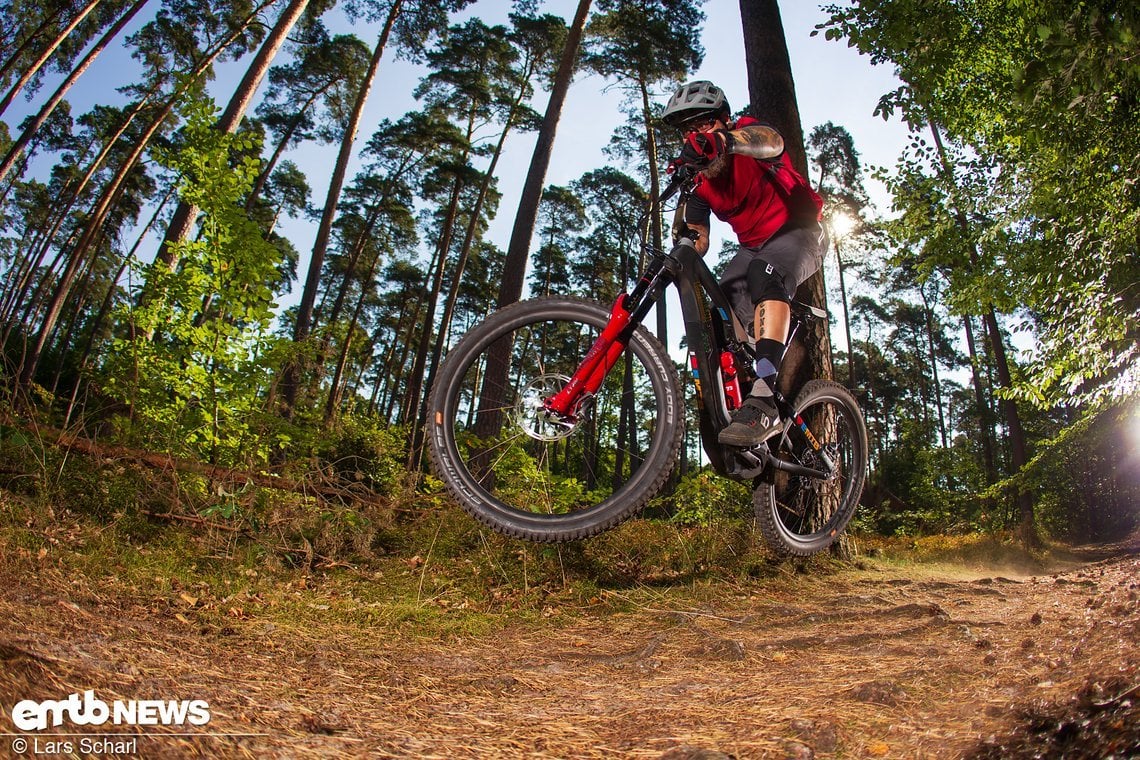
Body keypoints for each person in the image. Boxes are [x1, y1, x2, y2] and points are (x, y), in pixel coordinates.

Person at [663, 80, 825, 448]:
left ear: (724, 121)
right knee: (717, 318)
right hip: (753, 247)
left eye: (704, 125)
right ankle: (733, 402)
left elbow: (772, 141)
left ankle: (766, 397)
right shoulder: (703, 182)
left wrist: (726, 142)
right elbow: (698, 239)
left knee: (763, 274)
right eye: (688, 131)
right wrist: (684, 236)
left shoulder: (750, 137)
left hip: (800, 231)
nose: (696, 136)